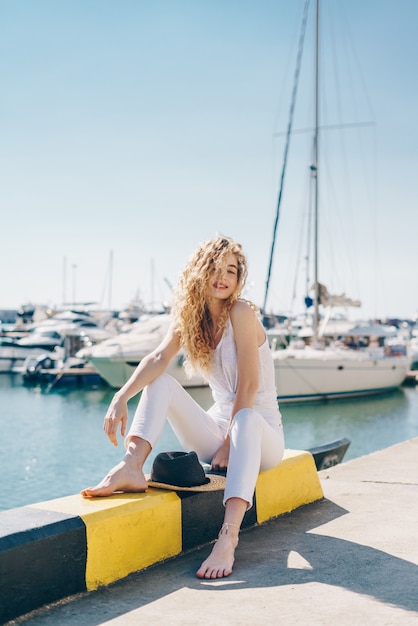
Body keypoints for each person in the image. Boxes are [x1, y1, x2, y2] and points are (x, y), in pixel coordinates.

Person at [81, 236, 284, 579]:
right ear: (199, 272)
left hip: (261, 433)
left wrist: (229, 443)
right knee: (161, 383)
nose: (222, 277)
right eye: (215, 268)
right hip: (220, 427)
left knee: (246, 418)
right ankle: (131, 466)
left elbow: (249, 385)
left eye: (231, 271)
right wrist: (121, 396)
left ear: (239, 279)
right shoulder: (193, 318)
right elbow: (158, 358)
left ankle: (228, 535)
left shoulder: (241, 312)